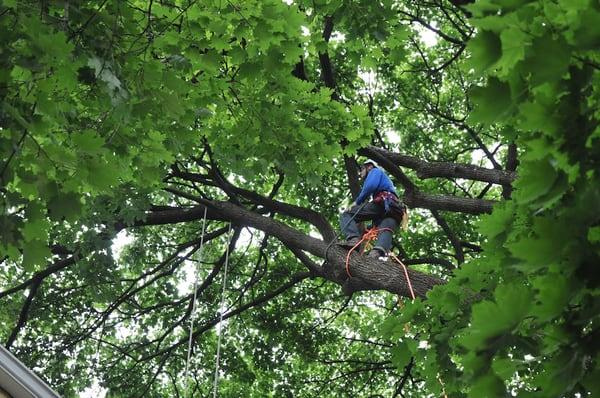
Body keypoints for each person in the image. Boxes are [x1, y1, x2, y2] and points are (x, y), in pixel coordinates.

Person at [339, 159, 406, 258]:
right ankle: (376, 254)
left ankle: (353, 239)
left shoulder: (375, 171)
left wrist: (356, 202)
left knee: (347, 214)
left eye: (362, 169)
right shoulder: (385, 181)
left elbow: (370, 186)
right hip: (394, 209)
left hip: (384, 203)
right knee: (385, 228)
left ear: (369, 166)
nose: (360, 172)